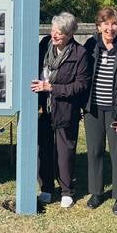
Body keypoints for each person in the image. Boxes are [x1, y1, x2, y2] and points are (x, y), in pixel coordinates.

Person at [31, 12, 90, 208]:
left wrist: (52, 88)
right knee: (44, 150)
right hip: (44, 110)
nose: (55, 35)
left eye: (60, 33)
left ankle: (66, 190)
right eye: (53, 30)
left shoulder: (79, 53)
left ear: (71, 34)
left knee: (65, 152)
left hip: (66, 110)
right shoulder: (44, 45)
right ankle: (46, 188)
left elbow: (81, 85)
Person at [83, 7, 117, 216]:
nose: (110, 27)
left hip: (116, 111)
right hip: (93, 110)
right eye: (105, 23)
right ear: (98, 26)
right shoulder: (90, 46)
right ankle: (96, 192)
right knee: (95, 151)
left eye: (114, 23)